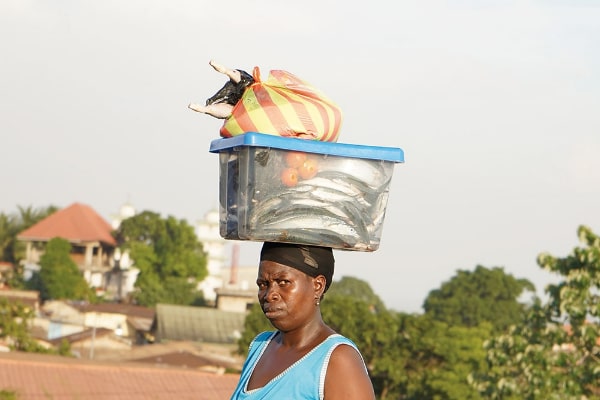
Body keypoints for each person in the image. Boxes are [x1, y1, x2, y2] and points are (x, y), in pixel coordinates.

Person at [230, 241, 376, 400]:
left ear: (318, 286)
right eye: (263, 284)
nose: (269, 294)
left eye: (283, 282)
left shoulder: (338, 360)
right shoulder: (260, 346)